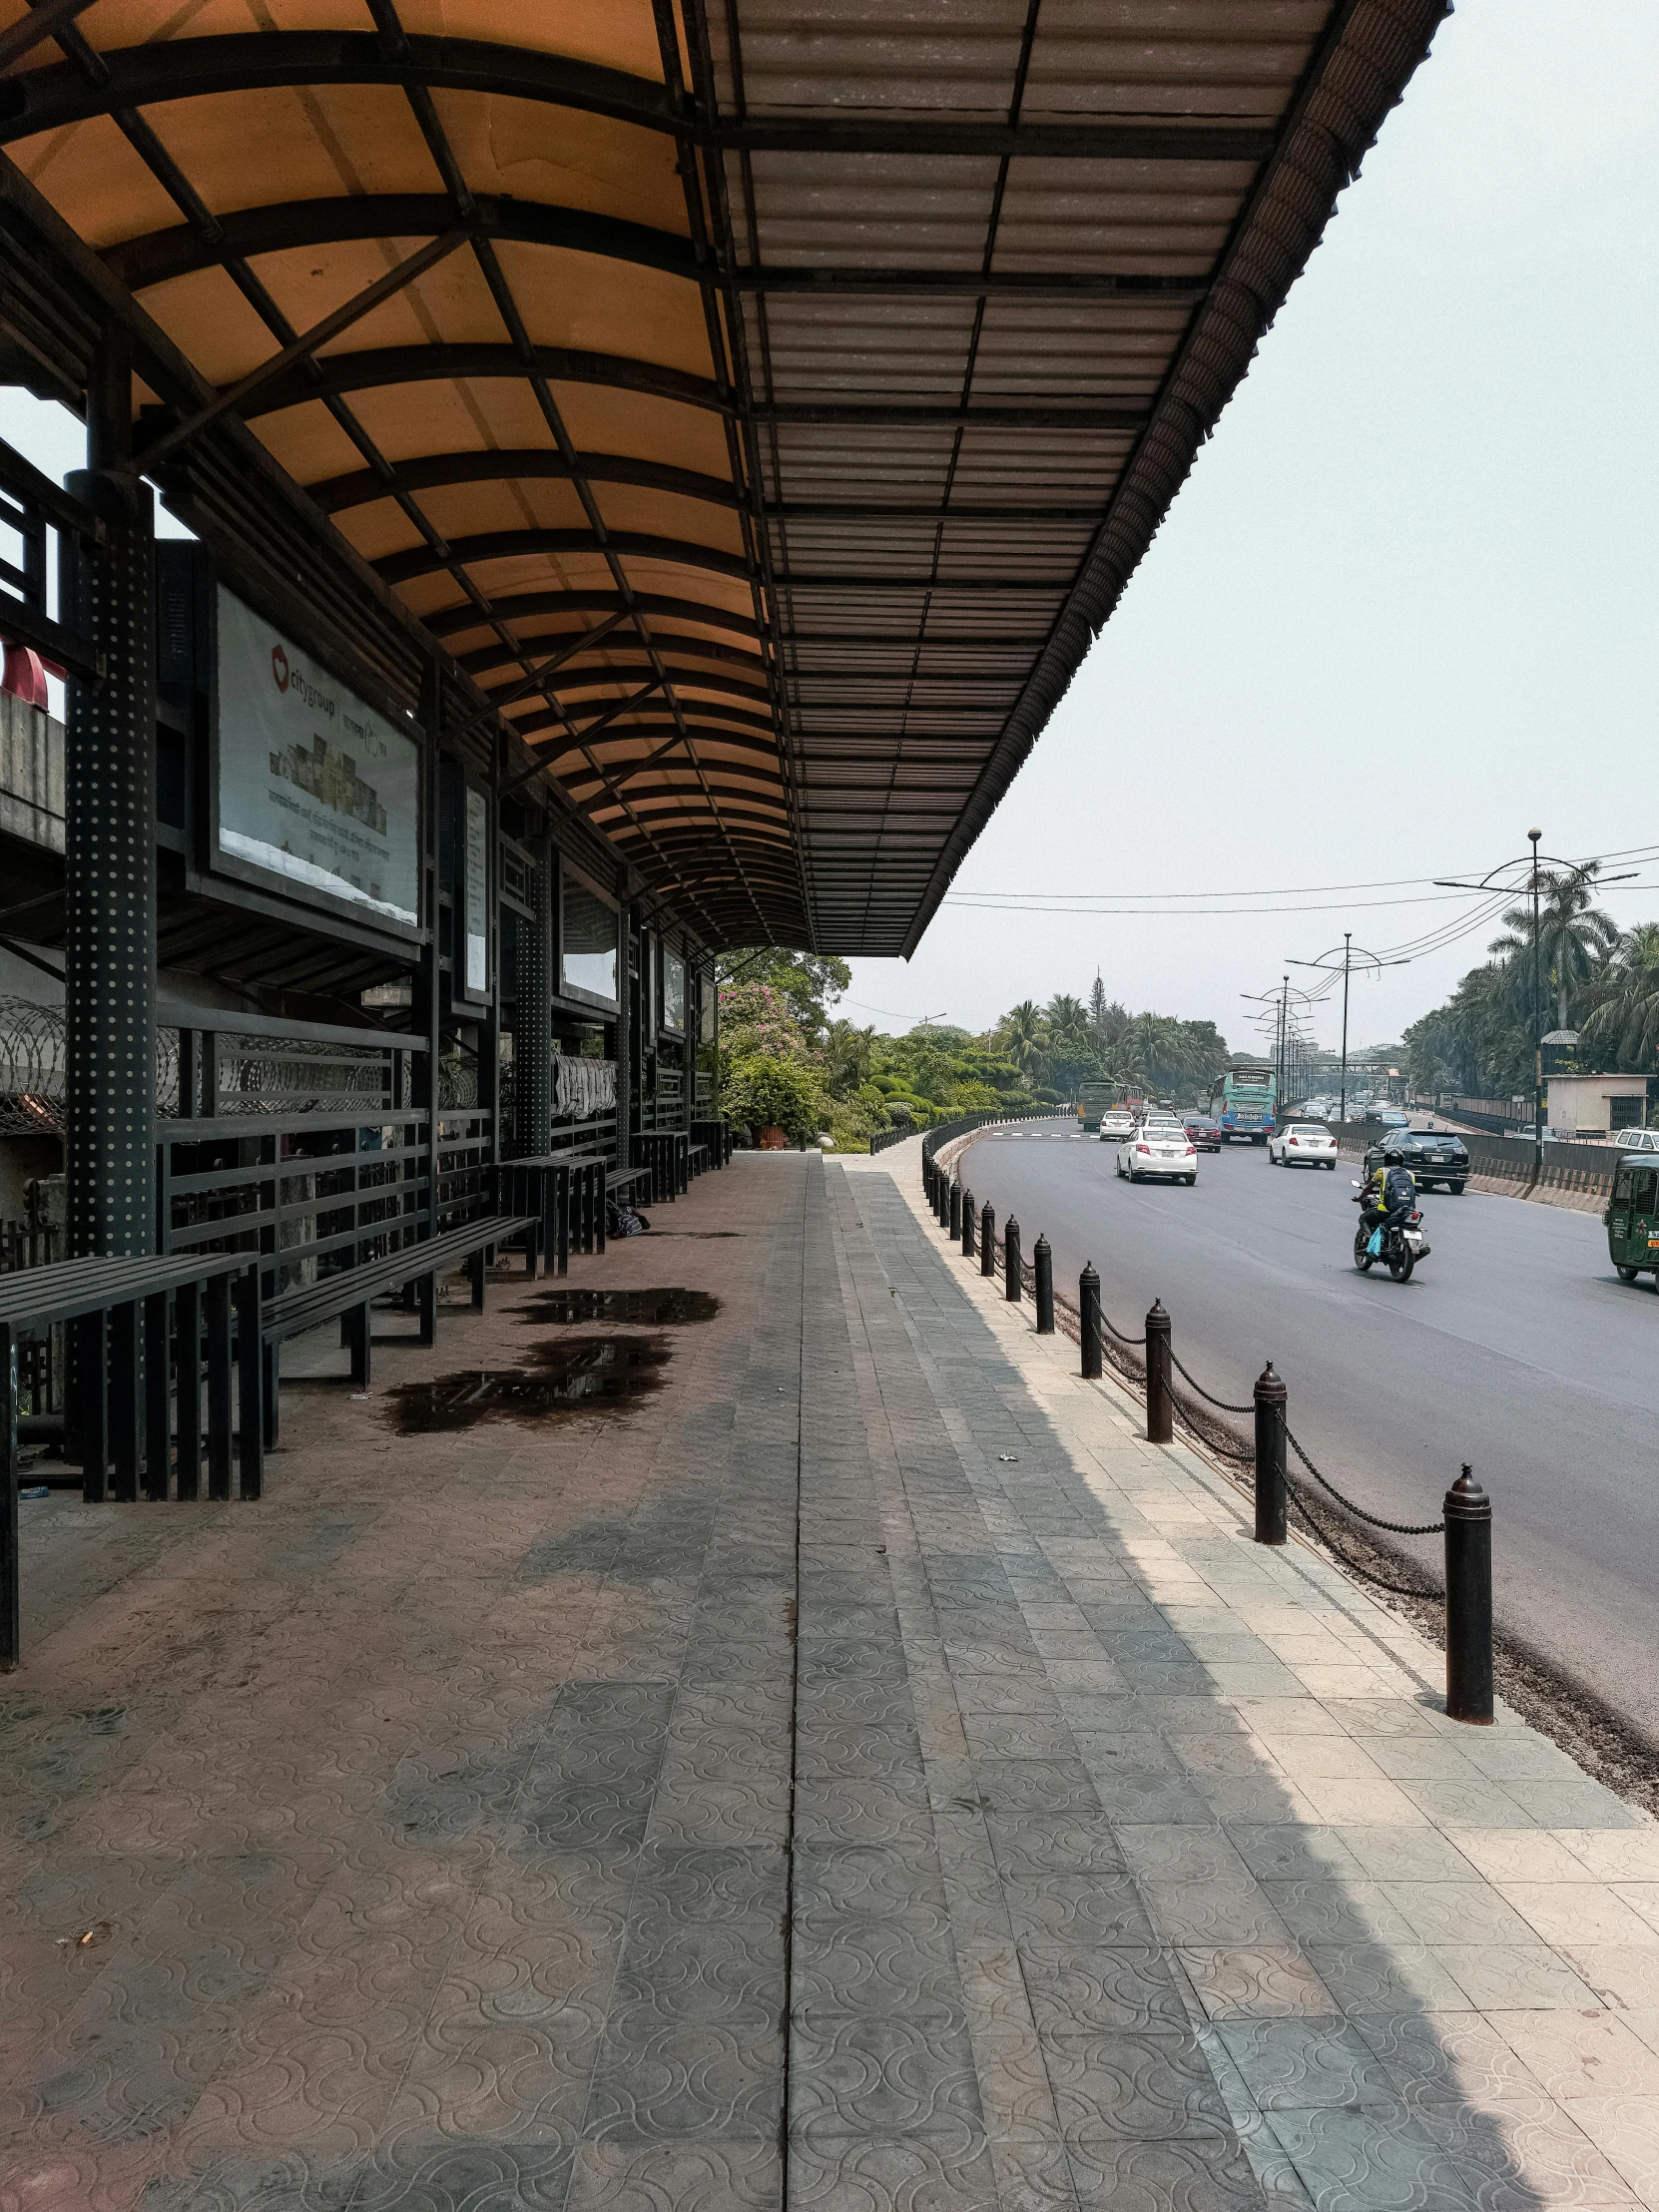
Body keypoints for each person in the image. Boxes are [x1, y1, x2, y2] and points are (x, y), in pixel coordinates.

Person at [1362, 1159, 1417, 1248]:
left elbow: (1369, 1187)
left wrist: (1360, 1198)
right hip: (1407, 1211)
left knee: (1363, 1219)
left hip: (1385, 1211)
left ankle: (1369, 1240)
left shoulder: (1382, 1171)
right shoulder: (1410, 1174)